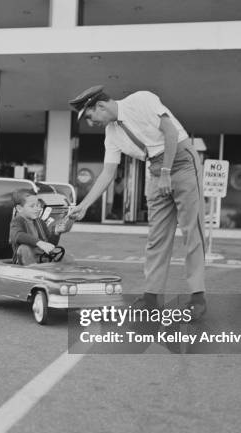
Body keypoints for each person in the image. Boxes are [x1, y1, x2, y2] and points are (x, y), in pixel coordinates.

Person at [68, 86, 207, 319]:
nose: (92, 123)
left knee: (192, 231)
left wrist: (165, 172)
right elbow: (107, 173)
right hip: (154, 169)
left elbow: (170, 133)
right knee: (156, 238)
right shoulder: (112, 134)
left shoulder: (141, 99)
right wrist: (83, 205)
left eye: (91, 117)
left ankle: (198, 298)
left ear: (100, 106)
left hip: (181, 161)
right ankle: (151, 299)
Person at [10, 189, 73, 265]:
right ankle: (33, 270)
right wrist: (39, 243)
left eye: (38, 205)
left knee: (67, 257)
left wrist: (56, 233)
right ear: (19, 208)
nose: (37, 209)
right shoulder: (17, 222)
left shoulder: (40, 222)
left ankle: (66, 273)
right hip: (25, 261)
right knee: (24, 248)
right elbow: (18, 235)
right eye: (32, 206)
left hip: (42, 258)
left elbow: (50, 244)